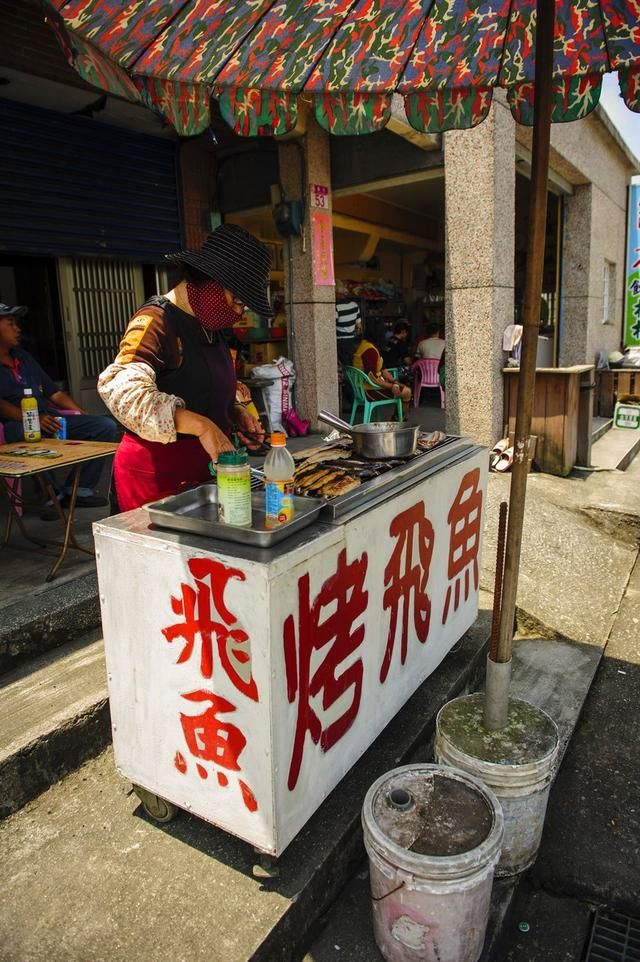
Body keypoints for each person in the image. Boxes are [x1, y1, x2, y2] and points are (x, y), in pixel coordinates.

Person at [98, 224, 271, 512]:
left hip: (203, 473)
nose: (239, 312)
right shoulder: (156, 321)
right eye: (237, 300)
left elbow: (201, 387)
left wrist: (233, 414)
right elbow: (122, 392)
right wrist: (202, 426)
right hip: (155, 477)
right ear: (210, 281)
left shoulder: (213, 328)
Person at [0, 303, 117, 518]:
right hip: (15, 423)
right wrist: (32, 420)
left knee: (105, 427)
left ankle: (77, 491)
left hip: (49, 417)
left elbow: (55, 394)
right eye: (11, 324)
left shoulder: (24, 357)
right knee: (24, 434)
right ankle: (49, 495)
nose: (17, 329)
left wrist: (83, 414)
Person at [352, 334, 411, 418]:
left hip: (362, 389)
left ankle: (397, 418)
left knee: (402, 388)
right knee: (407, 392)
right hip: (368, 391)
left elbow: (383, 370)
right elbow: (372, 377)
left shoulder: (365, 346)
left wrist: (395, 382)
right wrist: (390, 386)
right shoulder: (370, 351)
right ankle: (398, 421)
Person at [335, 295, 362, 367]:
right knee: (350, 364)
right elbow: (359, 326)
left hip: (340, 341)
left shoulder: (336, 307)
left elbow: (332, 325)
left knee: (342, 365)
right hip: (351, 340)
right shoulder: (354, 305)